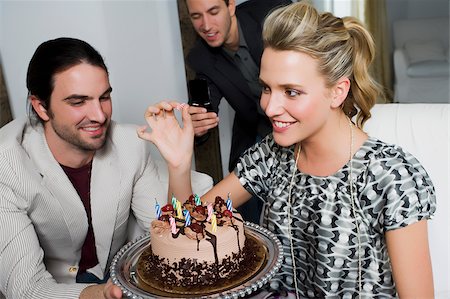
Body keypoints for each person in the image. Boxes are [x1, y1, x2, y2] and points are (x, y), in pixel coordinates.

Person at [138, 2, 436, 297]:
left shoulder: (393, 176)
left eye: (291, 92)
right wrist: (178, 163)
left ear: (337, 92)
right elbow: (186, 230)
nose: (269, 106)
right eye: (267, 88)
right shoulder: (270, 155)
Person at [0, 37, 192, 299]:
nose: (100, 115)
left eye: (104, 97)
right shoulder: (6, 165)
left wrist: (179, 165)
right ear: (41, 107)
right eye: (78, 102)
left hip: (121, 272)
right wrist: (103, 294)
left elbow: (173, 243)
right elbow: (26, 289)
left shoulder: (130, 144)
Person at [184, 0, 291, 224]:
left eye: (213, 12)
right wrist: (196, 125)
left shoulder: (270, 14)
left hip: (297, 119)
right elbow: (203, 109)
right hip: (256, 127)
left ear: (230, 6)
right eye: (196, 16)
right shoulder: (200, 58)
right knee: (245, 198)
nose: (206, 24)